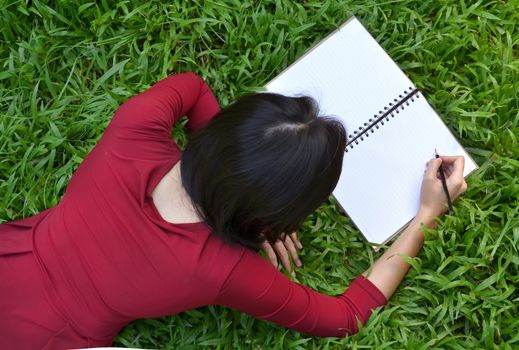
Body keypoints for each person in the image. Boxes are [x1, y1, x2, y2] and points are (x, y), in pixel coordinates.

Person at [0, 72, 467, 349]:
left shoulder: (134, 129)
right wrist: (427, 213)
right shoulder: (221, 269)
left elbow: (191, 88)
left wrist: (238, 192)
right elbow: (344, 316)